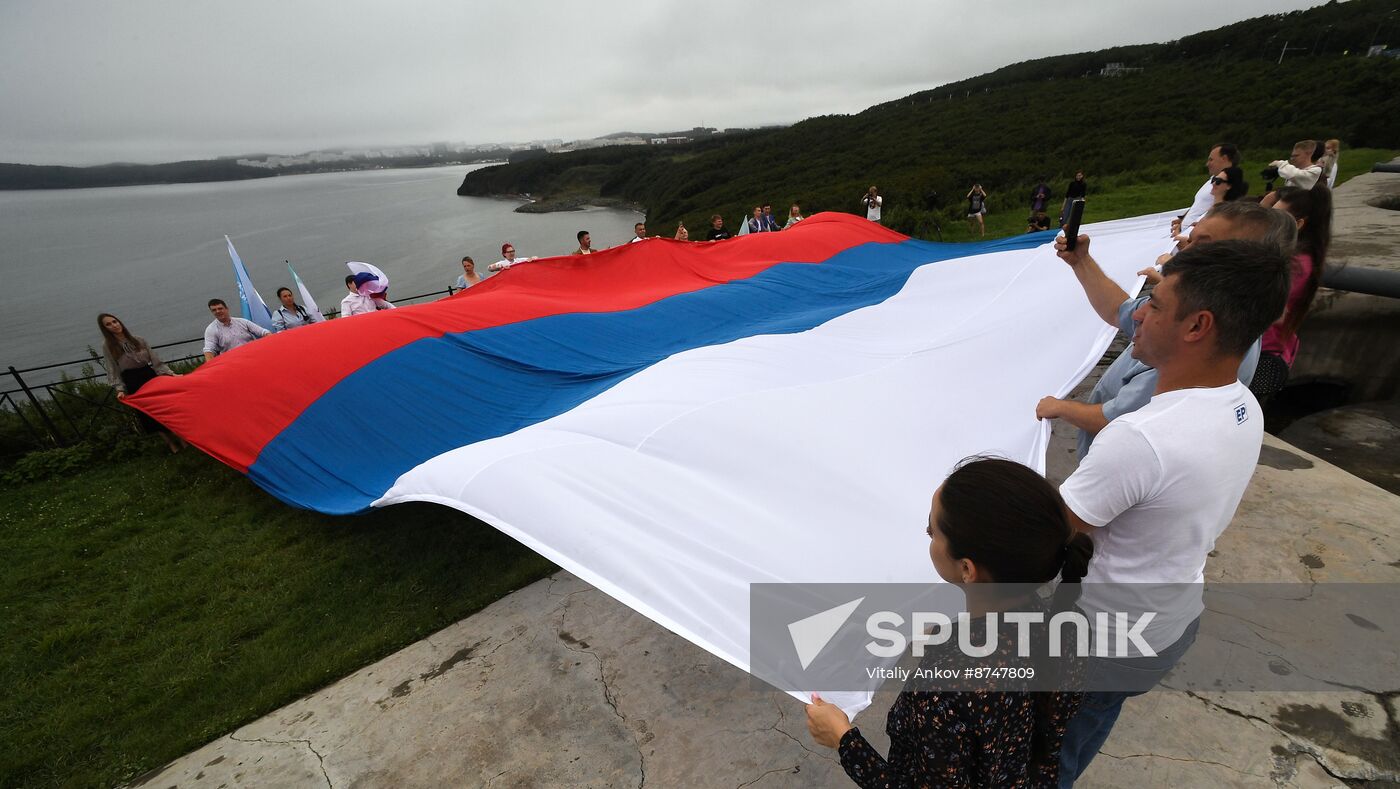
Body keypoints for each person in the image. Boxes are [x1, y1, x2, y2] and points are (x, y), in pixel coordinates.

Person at [1052, 240, 1292, 786]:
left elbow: (1038, 535)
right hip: (1167, 625)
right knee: (1088, 726)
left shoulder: (1141, 439)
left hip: (1103, 643)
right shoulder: (1242, 404)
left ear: (1196, 326)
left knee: (1044, 756)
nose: (1138, 312)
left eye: (1155, 304)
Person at [806, 457, 1088, 787]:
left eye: (932, 531)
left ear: (967, 569)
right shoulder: (1067, 624)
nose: (928, 537)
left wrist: (842, 738)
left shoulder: (944, 691)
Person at [1036, 200, 1296, 459]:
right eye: (1190, 238)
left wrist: (1062, 407)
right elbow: (1120, 311)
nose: (1183, 249)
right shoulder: (1222, 317)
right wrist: (1081, 261)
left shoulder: (1188, 353)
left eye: (1202, 244)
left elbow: (1117, 420)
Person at [1251, 185, 1333, 401]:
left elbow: (1269, 309)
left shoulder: (1295, 265)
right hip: (1266, 348)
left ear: (1298, 224)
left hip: (1263, 355)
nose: (1268, 222)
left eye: (1276, 217)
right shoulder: (1298, 257)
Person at [98, 313, 185, 453]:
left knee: (165, 408)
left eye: (114, 321)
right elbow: (112, 369)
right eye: (108, 324)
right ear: (105, 329)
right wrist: (120, 389)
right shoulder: (108, 347)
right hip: (132, 381)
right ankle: (170, 443)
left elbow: (155, 360)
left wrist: (170, 374)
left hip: (149, 376)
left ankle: (180, 438)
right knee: (149, 414)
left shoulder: (138, 340)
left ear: (119, 322)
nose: (113, 325)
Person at [1172, 143, 1244, 244]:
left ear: (1224, 158)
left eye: (1211, 160)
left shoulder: (1225, 187)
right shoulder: (1213, 180)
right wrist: (1182, 222)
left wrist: (1190, 239)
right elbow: (1198, 205)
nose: (1207, 164)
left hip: (1192, 239)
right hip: (1184, 234)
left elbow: (1220, 215)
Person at [202, 298, 269, 361]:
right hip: (232, 362)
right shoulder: (211, 329)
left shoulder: (242, 322)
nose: (218, 311)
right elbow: (208, 350)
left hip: (252, 356)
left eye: (220, 308)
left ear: (227, 309)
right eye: (214, 310)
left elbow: (263, 332)